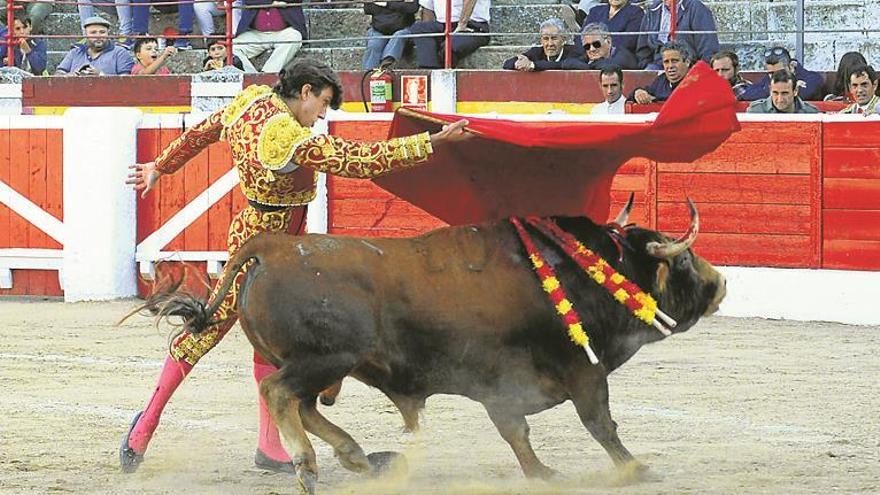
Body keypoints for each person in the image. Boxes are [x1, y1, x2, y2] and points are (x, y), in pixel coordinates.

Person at [119, 59, 471, 475]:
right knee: (214, 330)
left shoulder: (251, 101)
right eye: (321, 103)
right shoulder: (285, 136)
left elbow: (202, 131)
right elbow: (356, 159)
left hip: (260, 237)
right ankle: (147, 422)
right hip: (275, 249)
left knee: (263, 338)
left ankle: (270, 446)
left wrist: (161, 166)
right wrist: (429, 144)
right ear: (304, 91)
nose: (322, 115)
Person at [635, 0, 718, 70]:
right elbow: (643, 49)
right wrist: (645, 65)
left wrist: (697, 73)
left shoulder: (697, 8)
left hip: (687, 67)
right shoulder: (653, 10)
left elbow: (708, 49)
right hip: (658, 66)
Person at [409, 0, 491, 68]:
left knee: (448, 48)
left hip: (472, 25)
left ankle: (442, 77)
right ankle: (431, 71)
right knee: (419, 28)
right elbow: (427, 9)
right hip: (443, 25)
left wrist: (462, 24)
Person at [232, 0, 307, 73]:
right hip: (256, 33)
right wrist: (272, 3)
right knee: (232, 47)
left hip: (283, 32)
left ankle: (267, 74)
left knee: (294, 37)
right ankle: (252, 76)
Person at [54, 16, 134, 76]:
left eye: (102, 32)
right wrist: (68, 76)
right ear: (86, 35)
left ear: (108, 34)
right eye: (93, 32)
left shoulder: (120, 52)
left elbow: (126, 81)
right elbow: (58, 74)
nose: (98, 36)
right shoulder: (75, 52)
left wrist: (100, 75)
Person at [739, 46, 824, 102]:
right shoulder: (768, 79)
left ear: (791, 66)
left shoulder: (812, 78)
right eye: (771, 73)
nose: (775, 77)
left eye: (779, 72)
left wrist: (768, 91)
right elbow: (748, 94)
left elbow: (804, 94)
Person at [502, 18, 581, 71]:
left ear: (563, 39)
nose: (550, 44)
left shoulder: (574, 51)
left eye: (554, 38)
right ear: (541, 40)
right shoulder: (536, 52)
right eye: (546, 39)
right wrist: (518, 63)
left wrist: (533, 65)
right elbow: (507, 63)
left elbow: (561, 65)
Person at [362, 0, 420, 70]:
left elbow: (412, 8)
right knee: (374, 44)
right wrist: (397, 6)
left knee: (399, 36)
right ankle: (367, 75)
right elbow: (368, 9)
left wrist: (387, 4)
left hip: (403, 27)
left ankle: (386, 62)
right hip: (379, 28)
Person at [562, 22, 638, 70]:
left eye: (596, 44)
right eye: (587, 46)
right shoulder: (587, 58)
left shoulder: (623, 56)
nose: (592, 49)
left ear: (609, 41)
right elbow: (567, 63)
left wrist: (587, 67)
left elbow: (609, 66)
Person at [746, 69, 820, 114]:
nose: (780, 99)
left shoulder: (811, 112)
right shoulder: (756, 111)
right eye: (775, 93)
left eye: (785, 93)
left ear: (795, 91)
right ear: (770, 90)